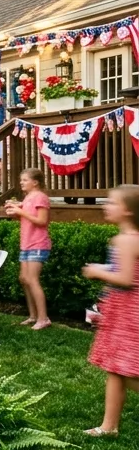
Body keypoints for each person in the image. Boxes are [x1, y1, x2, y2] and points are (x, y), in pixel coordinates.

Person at [81, 185, 139, 436]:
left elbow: (126, 278)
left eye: (112, 202)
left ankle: (109, 425)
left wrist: (97, 271)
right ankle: (109, 426)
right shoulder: (131, 238)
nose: (106, 206)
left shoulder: (125, 240)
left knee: (126, 370)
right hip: (124, 311)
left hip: (130, 314)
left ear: (127, 211)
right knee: (115, 368)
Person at [5, 167, 51, 330]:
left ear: (35, 182)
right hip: (26, 243)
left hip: (38, 244)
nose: (21, 183)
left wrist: (20, 211)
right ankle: (33, 316)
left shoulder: (41, 197)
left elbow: (41, 221)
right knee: (24, 279)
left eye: (25, 180)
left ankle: (43, 318)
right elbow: (26, 218)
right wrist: (15, 212)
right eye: (21, 180)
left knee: (32, 279)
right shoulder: (29, 197)